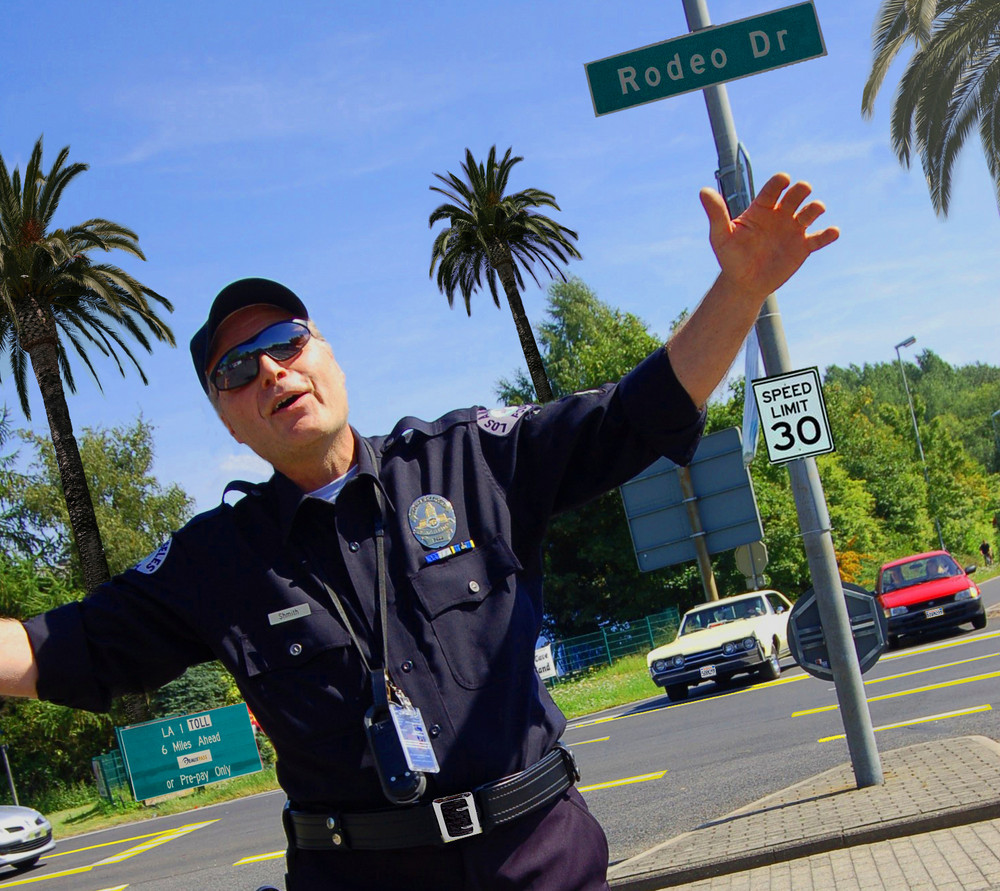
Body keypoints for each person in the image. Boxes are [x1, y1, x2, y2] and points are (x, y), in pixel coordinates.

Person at [0, 173, 837, 891]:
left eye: (284, 341)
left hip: (536, 861)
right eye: (236, 368)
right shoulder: (215, 560)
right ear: (227, 418)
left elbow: (636, 415)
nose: (271, 370)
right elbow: (47, 653)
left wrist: (742, 289)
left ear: (325, 349)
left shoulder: (471, 459)